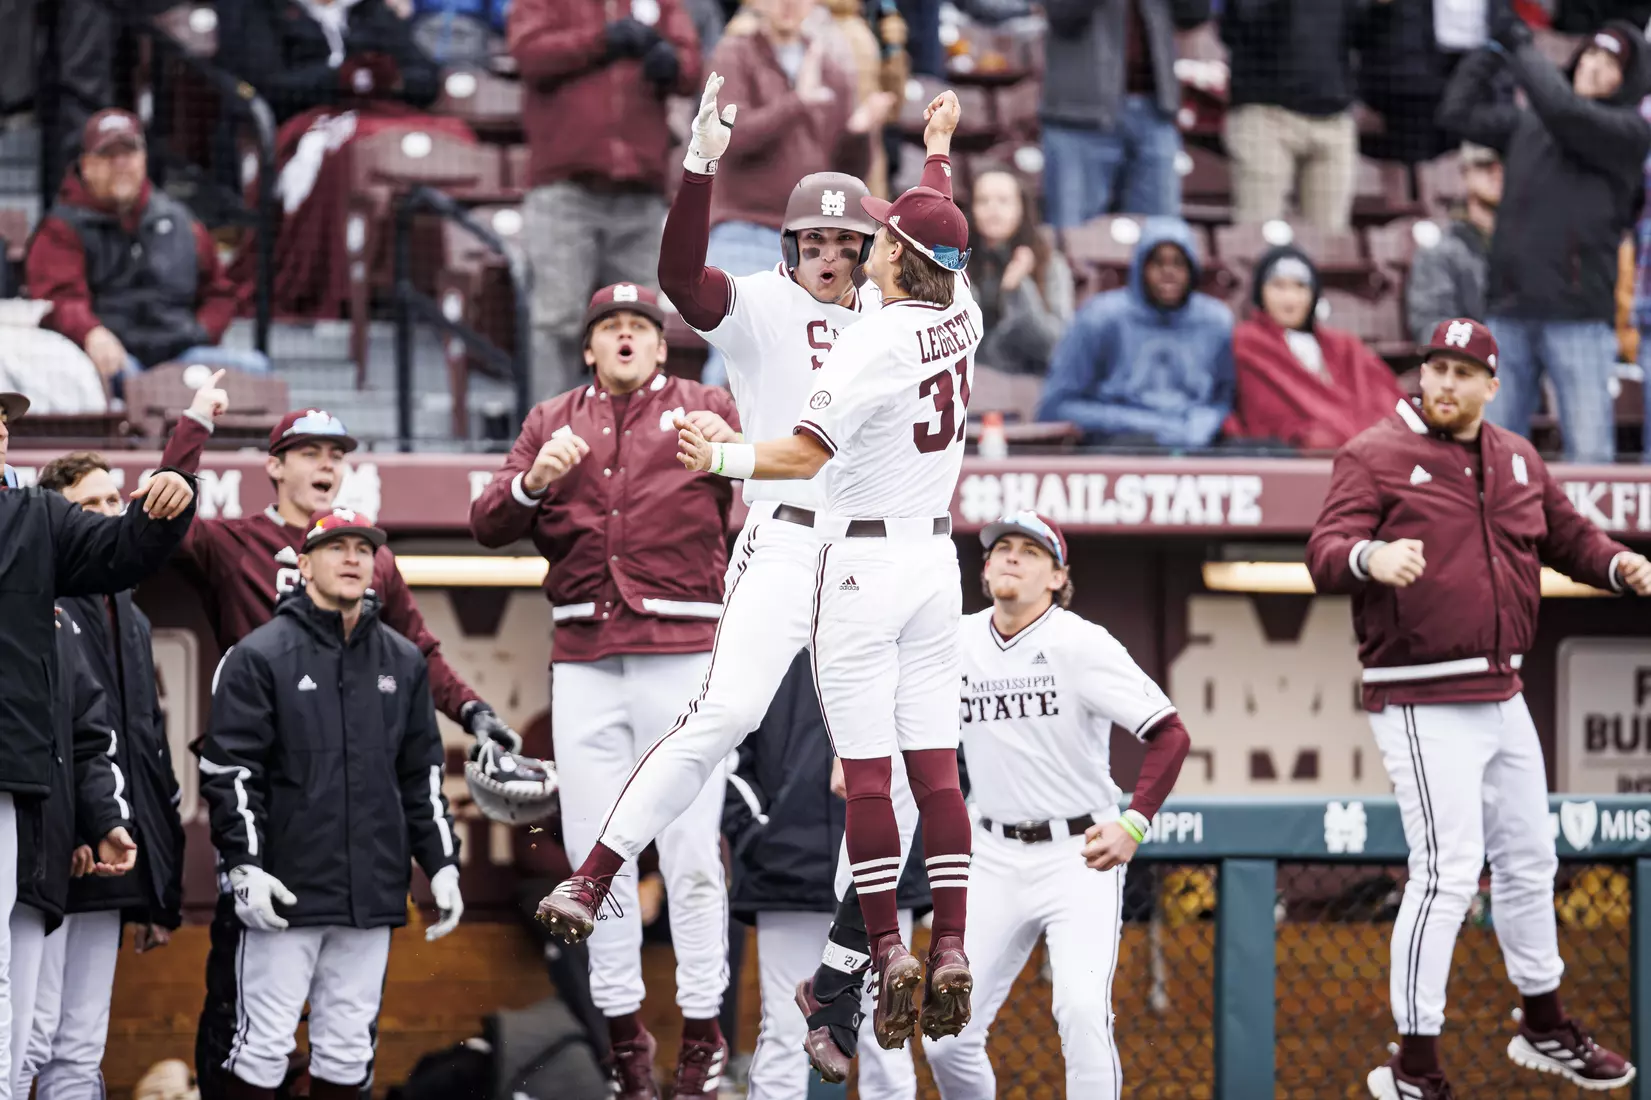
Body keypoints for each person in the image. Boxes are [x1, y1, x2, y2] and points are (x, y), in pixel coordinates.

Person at [659, 179, 982, 1052]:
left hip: (860, 561)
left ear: (898, 259)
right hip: (936, 557)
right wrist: (939, 155)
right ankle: (947, 941)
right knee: (938, 775)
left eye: (877, 238)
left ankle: (884, 946)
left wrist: (720, 452)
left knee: (870, 781)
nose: (861, 248)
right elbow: (938, 235)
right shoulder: (967, 314)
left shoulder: (873, 342)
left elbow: (800, 455)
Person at [1305, 318, 1648, 1100]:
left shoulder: (1514, 455)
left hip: (1503, 687)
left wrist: (1618, 562)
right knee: (1445, 875)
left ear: (1493, 385)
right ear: (1421, 373)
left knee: (1531, 863)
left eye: (1465, 372)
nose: (1447, 383)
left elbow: (1568, 537)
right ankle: (1415, 1067)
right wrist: (1369, 557)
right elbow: (1324, 550)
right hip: (1422, 694)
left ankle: (1543, 1023)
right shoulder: (1374, 454)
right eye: (1437, 368)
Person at [160, 402, 524, 1100]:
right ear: (275, 465)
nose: (326, 464)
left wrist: (473, 713)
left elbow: (419, 676)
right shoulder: (238, 553)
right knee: (243, 1031)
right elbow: (159, 527)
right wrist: (193, 429)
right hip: (278, 839)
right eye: (309, 452)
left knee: (347, 1037)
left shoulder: (378, 597)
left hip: (361, 853)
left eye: (336, 453)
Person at [469, 282, 741, 1098]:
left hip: (684, 651)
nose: (625, 338)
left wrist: (730, 451)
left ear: (662, 346)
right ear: (589, 346)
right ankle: (625, 1040)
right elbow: (485, 522)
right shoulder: (551, 420)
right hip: (586, 654)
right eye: (610, 328)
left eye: (639, 329)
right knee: (594, 860)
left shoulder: (705, 402)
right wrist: (530, 485)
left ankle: (701, 1034)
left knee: (694, 852)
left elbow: (778, 487)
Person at [897, 512, 1192, 1098]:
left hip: (1076, 854)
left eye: (1030, 552)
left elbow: (1170, 733)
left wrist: (1134, 822)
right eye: (1000, 548)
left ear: (1058, 577)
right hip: (992, 855)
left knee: (1082, 1013)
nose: (1010, 557)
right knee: (945, 1036)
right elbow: (898, 716)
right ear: (983, 569)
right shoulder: (952, 641)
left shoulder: (1080, 642)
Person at [199, 509, 463, 1100]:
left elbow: (421, 774)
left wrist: (441, 863)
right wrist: (245, 865)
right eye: (336, 547)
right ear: (305, 563)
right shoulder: (260, 654)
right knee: (262, 1047)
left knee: (347, 1050)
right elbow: (230, 772)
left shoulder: (402, 660)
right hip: (285, 892)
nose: (351, 559)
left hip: (371, 892)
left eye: (363, 550)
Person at [0, 390, 196, 1100]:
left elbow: (120, 741)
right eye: (97, 501)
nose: (111, 513)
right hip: (45, 820)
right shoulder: (48, 585)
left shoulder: (123, 612)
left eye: (120, 500)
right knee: (28, 1031)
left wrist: (157, 886)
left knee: (52, 1039)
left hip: (58, 823)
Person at [1438, 16, 1651, 462]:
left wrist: (1522, 49)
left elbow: (1564, 111)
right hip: (1509, 311)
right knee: (1488, 457)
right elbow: (1455, 113)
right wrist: (1489, 50)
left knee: (1590, 459)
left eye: (1612, 63)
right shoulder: (1528, 124)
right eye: (1592, 53)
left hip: (1577, 319)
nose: (1596, 66)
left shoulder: (1628, 134)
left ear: (1628, 80)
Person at [721, 653, 925, 1100]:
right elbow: (725, 752)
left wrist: (908, 841)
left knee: (885, 1034)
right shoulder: (769, 647)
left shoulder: (899, 642)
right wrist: (760, 836)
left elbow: (943, 756)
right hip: (785, 873)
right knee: (783, 1030)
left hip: (879, 875)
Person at [509, 0, 701, 400]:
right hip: (564, 187)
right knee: (557, 323)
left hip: (640, 189)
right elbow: (530, 55)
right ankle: (548, 444)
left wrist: (672, 63)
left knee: (639, 324)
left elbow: (691, 66)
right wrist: (602, 41)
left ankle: (637, 448)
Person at [697, 0, 896, 385]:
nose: (788, 4)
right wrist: (796, 103)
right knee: (732, 356)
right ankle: (716, 444)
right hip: (743, 227)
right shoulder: (734, 54)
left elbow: (843, 173)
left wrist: (858, 132)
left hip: (811, 240)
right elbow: (729, 140)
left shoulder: (829, 64)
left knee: (807, 360)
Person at [25, 109, 271, 400]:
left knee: (257, 369)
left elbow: (220, 293)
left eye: (128, 153)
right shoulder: (61, 228)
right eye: (108, 155)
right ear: (86, 165)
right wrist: (91, 334)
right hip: (112, 358)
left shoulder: (181, 222)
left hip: (182, 353)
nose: (120, 165)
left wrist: (202, 331)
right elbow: (59, 300)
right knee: (129, 383)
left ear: (144, 159)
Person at [8, 601, 136, 1100]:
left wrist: (98, 821)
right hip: (29, 848)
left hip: (54, 859)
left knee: (42, 1041)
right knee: (23, 1037)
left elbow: (93, 738)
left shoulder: (75, 618)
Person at [1037, 217, 1234, 447]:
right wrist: (1143, 424)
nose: (1168, 273)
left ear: (1193, 270)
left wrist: (1209, 419)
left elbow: (1228, 398)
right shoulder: (1099, 318)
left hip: (1195, 450)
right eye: (1158, 263)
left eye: (1179, 263)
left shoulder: (1217, 322)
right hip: (1117, 447)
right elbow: (1055, 407)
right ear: (1140, 267)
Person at [1040, 0, 1210, 225]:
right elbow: (1063, 14)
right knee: (1076, 236)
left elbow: (1194, 14)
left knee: (1160, 236)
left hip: (1154, 111)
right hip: (1079, 115)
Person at [1225, 245, 1405, 450]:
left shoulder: (1346, 346)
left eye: (1300, 286)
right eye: (1278, 286)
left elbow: (1385, 399)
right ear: (1260, 292)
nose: (1290, 298)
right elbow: (1263, 412)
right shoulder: (1247, 342)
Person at [1221, 0, 1360, 231]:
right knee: (1259, 238)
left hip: (1333, 118)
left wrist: (1381, 11)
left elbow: (1364, 33)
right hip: (1265, 115)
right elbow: (1240, 26)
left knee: (1332, 248)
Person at [216, 0, 441, 124]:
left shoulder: (370, 9)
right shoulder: (257, 7)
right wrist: (340, 79)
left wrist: (393, 80)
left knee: (447, 135)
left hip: (378, 122)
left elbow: (427, 76)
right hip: (296, 127)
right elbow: (262, 85)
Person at [967, 169, 1073, 376]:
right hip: (971, 382)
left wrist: (1019, 287)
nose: (993, 209)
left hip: (1032, 378)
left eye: (1004, 201)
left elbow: (1056, 345)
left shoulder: (1049, 262)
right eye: (983, 201)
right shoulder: (957, 261)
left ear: (1022, 208)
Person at [1407, 144, 1500, 343]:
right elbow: (1432, 330)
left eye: (1505, 164)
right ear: (1466, 172)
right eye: (1485, 165)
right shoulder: (1440, 252)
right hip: (1476, 368)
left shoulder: (1537, 249)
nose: (1496, 174)